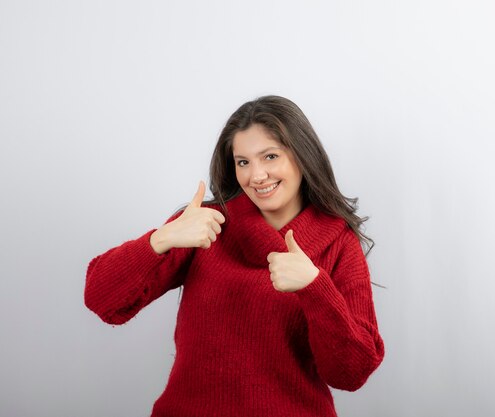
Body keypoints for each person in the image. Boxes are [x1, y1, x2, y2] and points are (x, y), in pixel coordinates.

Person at [84, 95, 384, 417]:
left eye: (270, 157)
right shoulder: (207, 224)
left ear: (302, 155)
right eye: (243, 162)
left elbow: (352, 373)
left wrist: (314, 287)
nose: (256, 176)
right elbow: (101, 299)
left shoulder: (337, 241)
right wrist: (161, 239)